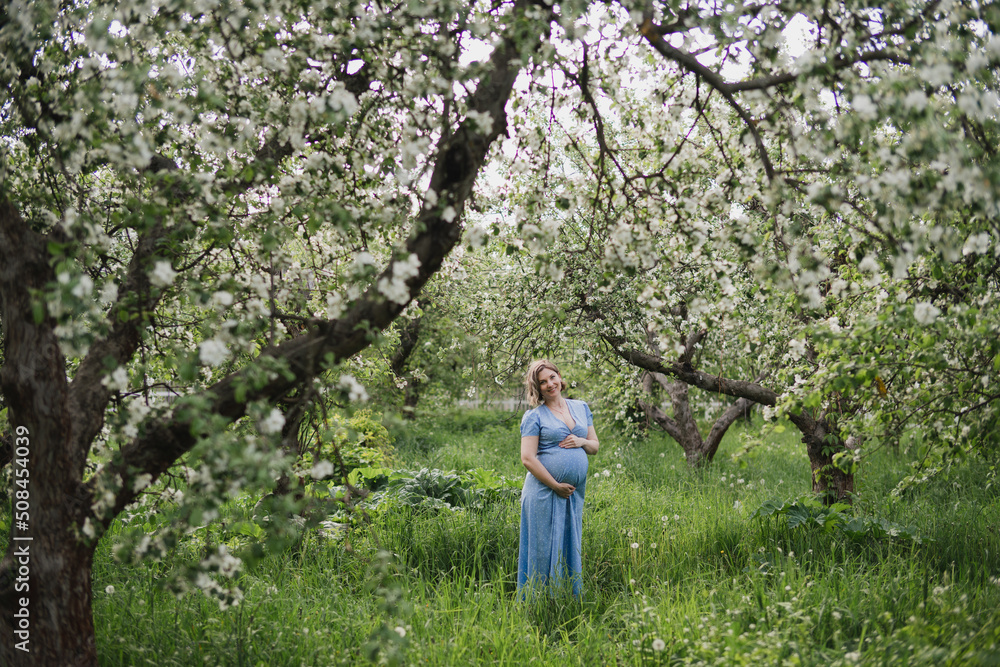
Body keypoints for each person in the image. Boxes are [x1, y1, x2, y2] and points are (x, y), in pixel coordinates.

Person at [517, 359, 599, 597]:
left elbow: (594, 447)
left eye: (552, 377)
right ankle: (537, 603)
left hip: (572, 493)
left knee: (568, 544)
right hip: (544, 491)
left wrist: (581, 441)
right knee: (542, 548)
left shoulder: (581, 407)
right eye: (542, 382)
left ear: (559, 376)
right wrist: (555, 485)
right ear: (537, 388)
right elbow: (528, 458)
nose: (550, 384)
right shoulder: (534, 416)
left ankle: (565, 599)